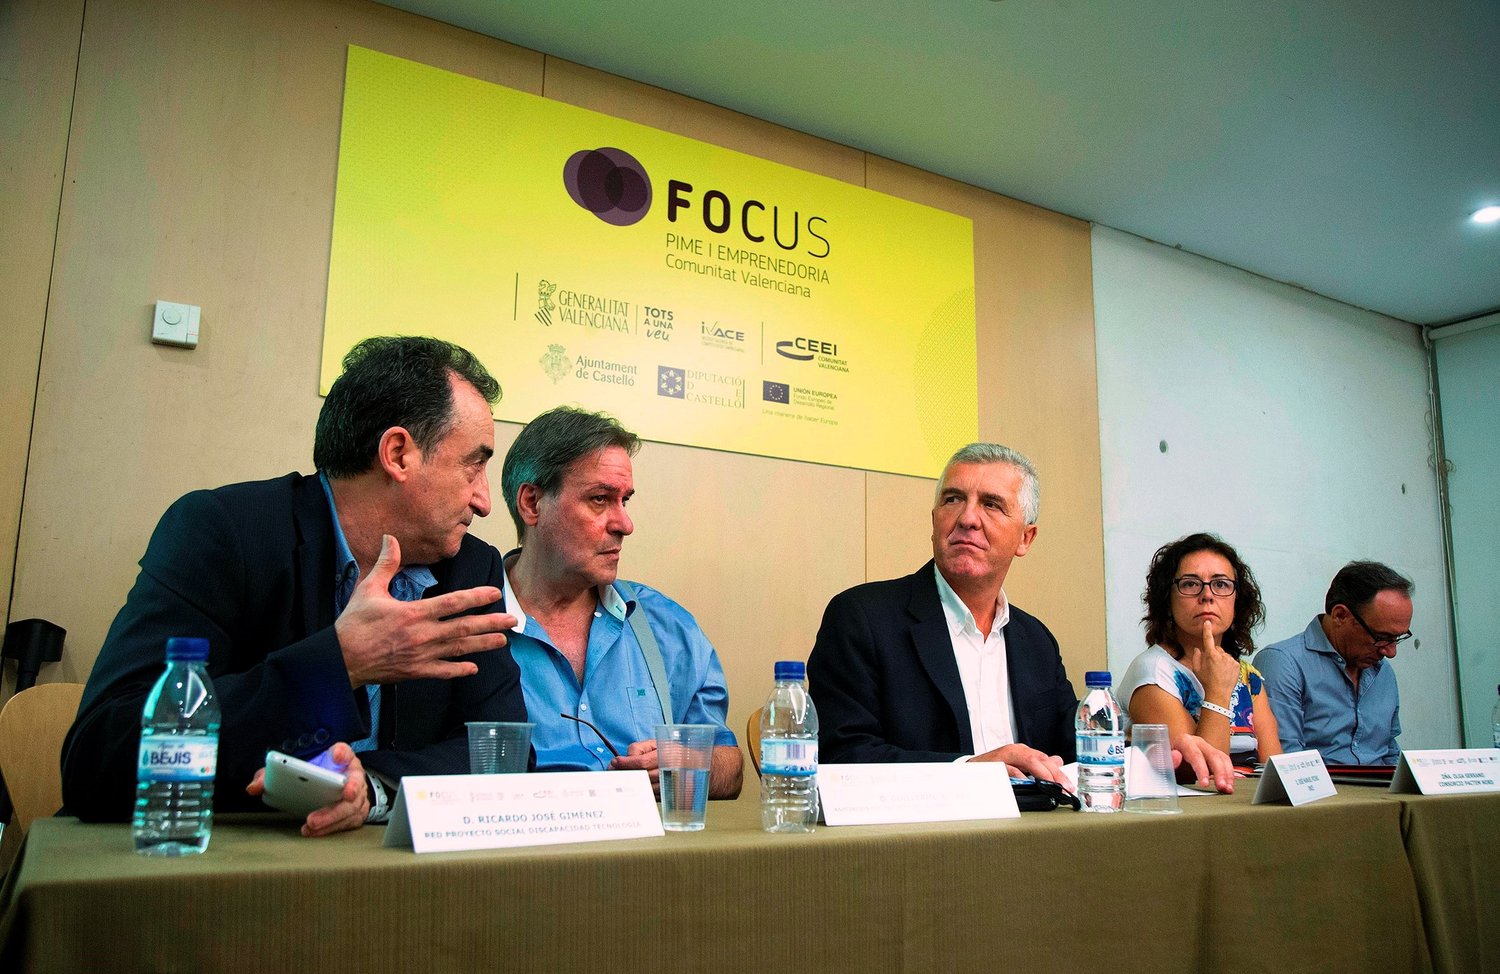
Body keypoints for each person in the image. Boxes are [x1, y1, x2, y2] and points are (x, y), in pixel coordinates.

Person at [61, 336, 524, 835]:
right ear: (398, 454)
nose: (484, 502)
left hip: (386, 868)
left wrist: (372, 788)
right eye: (474, 465)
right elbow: (99, 759)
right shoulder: (224, 532)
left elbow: (504, 753)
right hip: (221, 861)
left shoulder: (470, 568)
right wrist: (339, 665)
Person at [808, 443, 1235, 791]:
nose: (967, 518)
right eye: (953, 499)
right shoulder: (863, 617)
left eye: (991, 504)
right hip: (920, 844)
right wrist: (971, 770)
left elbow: (1074, 746)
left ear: (1025, 538)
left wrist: (1154, 758)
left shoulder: (1035, 641)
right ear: (935, 520)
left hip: (1031, 838)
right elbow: (839, 755)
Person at [498, 406, 742, 798]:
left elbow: (730, 768)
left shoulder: (666, 626)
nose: (625, 524)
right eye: (599, 499)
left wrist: (681, 762)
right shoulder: (467, 625)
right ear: (532, 503)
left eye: (624, 500)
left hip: (647, 838)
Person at [1118, 533, 1281, 766]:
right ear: (1167, 601)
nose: (1207, 596)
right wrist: (1217, 691)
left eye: (1221, 584)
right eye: (1190, 584)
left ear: (1237, 601)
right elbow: (1202, 771)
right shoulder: (1153, 671)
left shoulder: (1247, 675)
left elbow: (1274, 768)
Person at [1254, 561, 1413, 765]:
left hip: (1382, 785)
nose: (1390, 652)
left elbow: (1389, 752)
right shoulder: (1283, 663)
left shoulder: (1383, 671)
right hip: (1319, 785)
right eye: (1381, 637)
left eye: (1397, 638)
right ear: (1340, 615)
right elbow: (1284, 763)